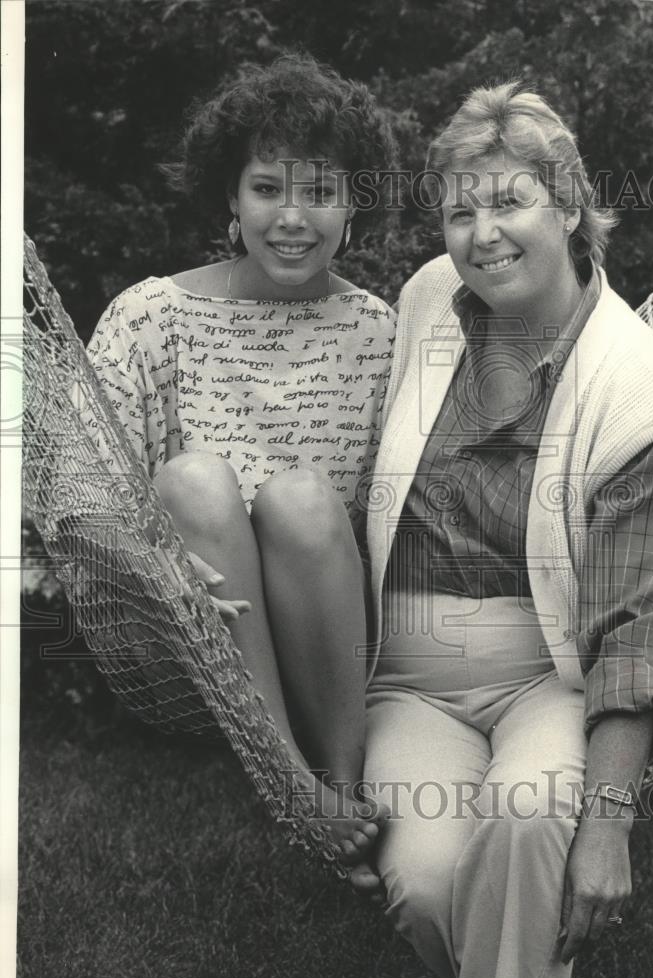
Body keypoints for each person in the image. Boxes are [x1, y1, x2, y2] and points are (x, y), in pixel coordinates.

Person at [359, 82, 653, 978]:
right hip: (407, 682)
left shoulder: (637, 398)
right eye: (459, 210)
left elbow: (636, 637)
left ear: (567, 204)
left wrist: (605, 823)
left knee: (528, 821)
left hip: (552, 674)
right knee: (433, 883)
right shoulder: (428, 300)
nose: (482, 234)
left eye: (509, 200)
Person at [85, 53, 397, 884]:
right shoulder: (151, 317)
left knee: (299, 496)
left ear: (351, 202)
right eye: (268, 188)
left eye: (320, 191)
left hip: (330, 628)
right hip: (188, 631)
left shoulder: (377, 332)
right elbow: (74, 499)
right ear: (230, 196)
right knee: (191, 479)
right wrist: (149, 561)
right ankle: (291, 781)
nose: (292, 218)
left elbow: (396, 509)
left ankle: (339, 777)